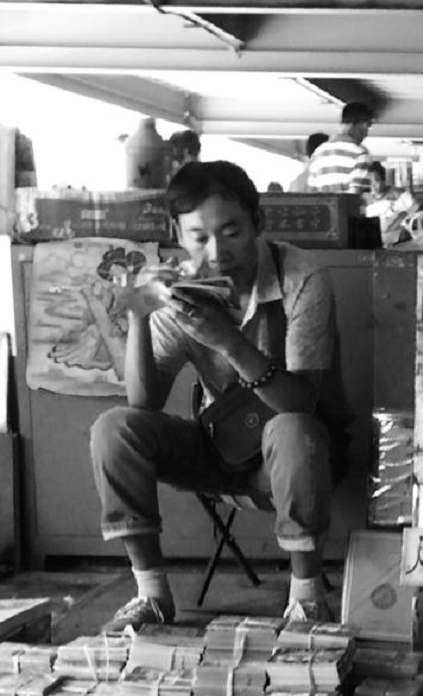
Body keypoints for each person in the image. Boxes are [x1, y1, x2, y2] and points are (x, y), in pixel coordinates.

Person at [89, 161, 352, 631]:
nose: (216, 252)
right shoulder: (180, 292)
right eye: (198, 237)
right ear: (178, 234)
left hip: (300, 456)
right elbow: (143, 403)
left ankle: (306, 598)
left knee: (291, 428)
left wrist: (228, 342)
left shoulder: (301, 280)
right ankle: (150, 592)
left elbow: (303, 403)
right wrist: (140, 317)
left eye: (231, 232)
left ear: (258, 223)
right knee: (114, 428)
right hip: (221, 449)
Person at [308, 102, 376, 194]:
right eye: (368, 126)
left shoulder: (317, 154)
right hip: (348, 208)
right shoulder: (360, 154)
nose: (366, 133)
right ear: (360, 123)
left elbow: (313, 195)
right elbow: (357, 195)